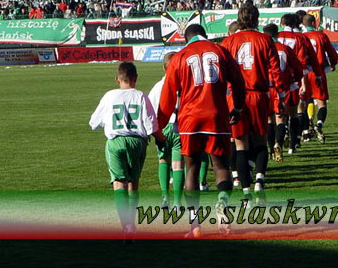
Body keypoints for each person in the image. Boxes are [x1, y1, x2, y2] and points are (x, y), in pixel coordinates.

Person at [157, 24, 245, 237]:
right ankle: (223, 207)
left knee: (192, 169)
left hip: (190, 121)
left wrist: (158, 127)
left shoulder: (179, 57)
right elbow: (239, 82)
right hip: (217, 116)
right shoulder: (220, 51)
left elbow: (167, 98)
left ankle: (194, 224)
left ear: (185, 38)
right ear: (204, 35)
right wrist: (238, 107)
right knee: (221, 166)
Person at [89, 61, 166, 239]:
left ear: (117, 79)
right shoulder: (140, 96)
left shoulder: (109, 96)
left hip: (116, 141)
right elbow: (151, 124)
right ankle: (132, 222)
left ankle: (126, 225)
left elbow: (94, 123)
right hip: (137, 142)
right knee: (133, 183)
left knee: (119, 183)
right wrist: (162, 140)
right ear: (135, 78)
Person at [222, 3, 283, 200]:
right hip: (258, 95)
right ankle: (259, 181)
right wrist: (279, 96)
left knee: (240, 144)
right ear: (257, 19)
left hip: (236, 97)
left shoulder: (229, 41)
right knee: (260, 140)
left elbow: (222, 73)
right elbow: (275, 71)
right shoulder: (265, 40)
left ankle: (246, 190)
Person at [263, 23, 301, 161]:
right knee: (281, 118)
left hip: (266, 88)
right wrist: (297, 80)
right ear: (277, 34)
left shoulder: (262, 48)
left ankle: (271, 149)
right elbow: (297, 67)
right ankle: (279, 143)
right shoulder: (285, 49)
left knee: (269, 119)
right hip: (281, 87)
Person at [277, 13, 315, 151]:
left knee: (277, 114)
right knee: (294, 111)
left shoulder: (276, 37)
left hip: (275, 79)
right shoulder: (300, 38)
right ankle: (294, 143)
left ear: (282, 23)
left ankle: (278, 144)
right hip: (292, 79)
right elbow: (302, 62)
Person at [148, 69, 183, 210]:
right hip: (178, 126)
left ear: (163, 68)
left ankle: (165, 197)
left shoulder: (158, 86)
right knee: (178, 165)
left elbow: (150, 108)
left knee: (163, 160)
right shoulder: (182, 84)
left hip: (162, 126)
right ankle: (177, 203)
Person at [301, 13, 338, 142]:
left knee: (304, 103)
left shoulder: (301, 37)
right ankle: (319, 124)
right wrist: (333, 63)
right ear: (313, 23)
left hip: (304, 73)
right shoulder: (321, 36)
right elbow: (332, 53)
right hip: (318, 72)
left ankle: (305, 131)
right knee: (322, 103)